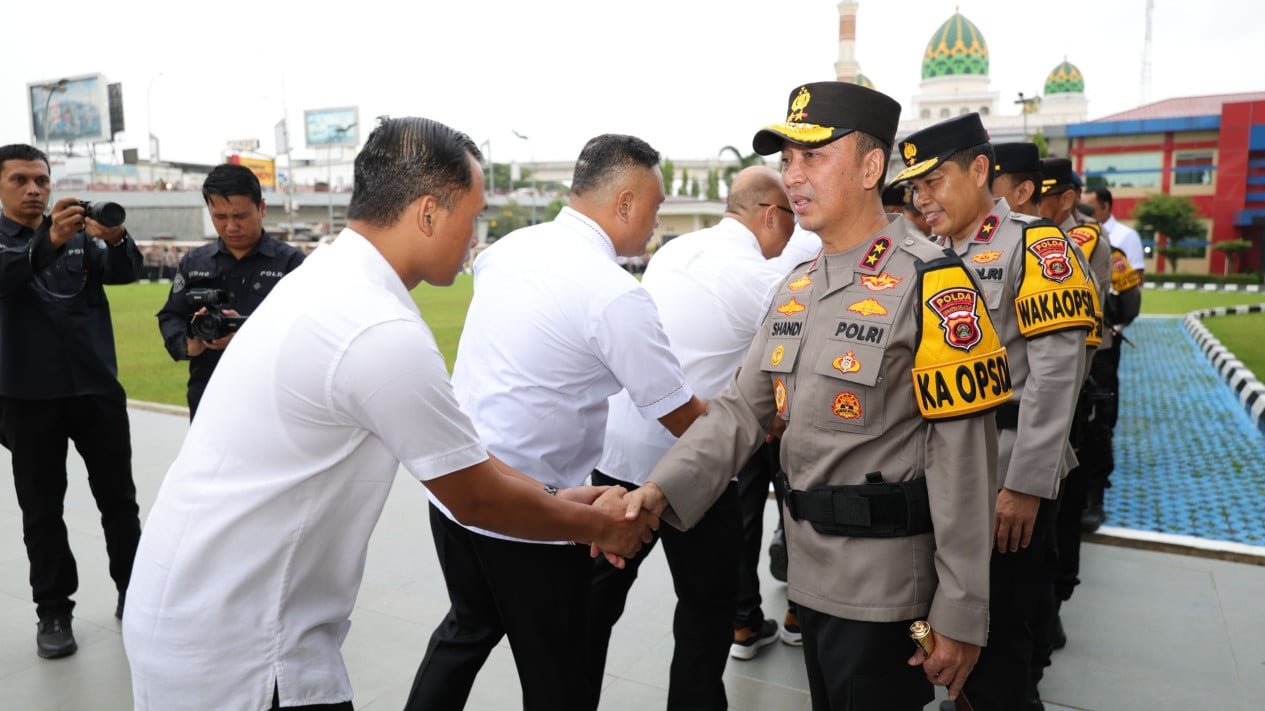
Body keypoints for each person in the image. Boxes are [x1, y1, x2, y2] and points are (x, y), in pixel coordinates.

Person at [122, 117, 656, 711]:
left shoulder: (329, 277)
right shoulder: (377, 329)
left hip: (203, 609)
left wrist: (561, 499)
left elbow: (469, 464)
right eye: (472, 217)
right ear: (428, 213)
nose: (475, 238)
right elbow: (475, 497)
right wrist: (601, 524)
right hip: (240, 647)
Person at [624, 81, 1011, 710]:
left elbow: (965, 459)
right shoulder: (796, 285)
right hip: (812, 583)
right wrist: (657, 491)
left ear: (870, 166)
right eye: (786, 160)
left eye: (813, 155)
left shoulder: (937, 285)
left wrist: (962, 610)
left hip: (892, 599)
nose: (793, 176)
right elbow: (738, 413)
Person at [404, 134, 707, 711]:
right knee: (559, 673)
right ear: (623, 203)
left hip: (458, 490)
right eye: (655, 206)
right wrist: (754, 419)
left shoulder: (511, 248)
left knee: (465, 632)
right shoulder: (615, 294)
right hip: (534, 512)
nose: (655, 221)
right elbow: (681, 416)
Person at [895, 120, 1092, 711]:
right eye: (913, 189)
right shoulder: (928, 256)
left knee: (1002, 634)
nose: (921, 199)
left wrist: (1026, 487)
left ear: (980, 171)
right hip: (936, 478)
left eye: (933, 181)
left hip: (1004, 473)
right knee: (925, 615)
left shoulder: (1036, 245)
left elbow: (1057, 376)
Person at [583, 165, 795, 709]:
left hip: (618, 449)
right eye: (791, 220)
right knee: (708, 607)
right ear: (771, 215)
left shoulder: (678, 250)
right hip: (692, 462)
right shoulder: (762, 281)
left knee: (594, 606)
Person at [0, 144, 143, 660]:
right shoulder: (17, 239)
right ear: (0, 186)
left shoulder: (81, 236)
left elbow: (127, 273)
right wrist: (49, 241)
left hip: (96, 387)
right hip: (27, 393)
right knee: (42, 509)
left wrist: (117, 237)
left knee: (119, 501)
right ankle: (54, 611)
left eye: (41, 179)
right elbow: (8, 277)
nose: (34, 189)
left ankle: (138, 592)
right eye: (19, 180)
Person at [156, 164, 305, 417]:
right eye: (220, 218)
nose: (231, 227)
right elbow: (171, 315)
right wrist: (187, 344)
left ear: (262, 208)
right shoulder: (194, 263)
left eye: (240, 216)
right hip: (208, 396)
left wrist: (245, 337)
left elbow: (308, 333)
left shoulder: (291, 264)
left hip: (271, 398)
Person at [1077, 186, 1144, 530]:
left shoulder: (1112, 247)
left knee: (1098, 422)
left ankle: (1094, 497)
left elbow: (1131, 298)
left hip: (1100, 351)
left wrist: (1114, 323)